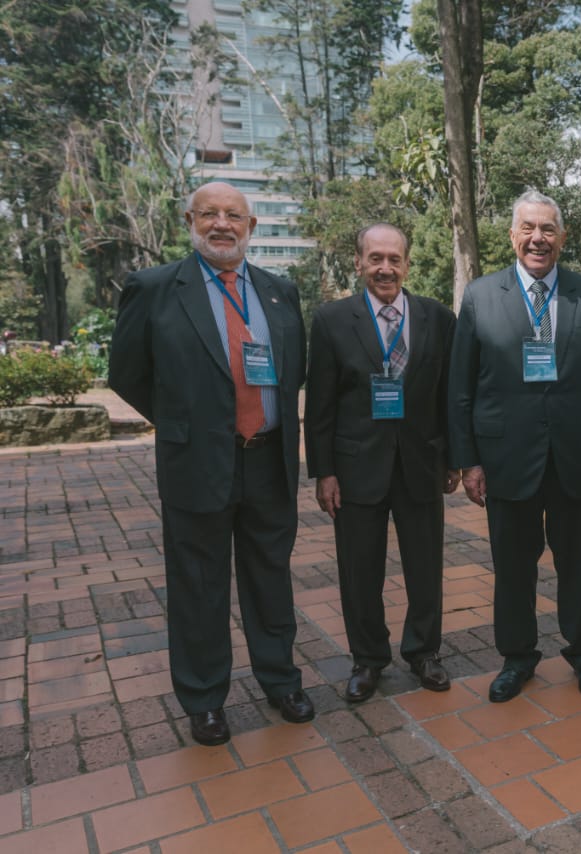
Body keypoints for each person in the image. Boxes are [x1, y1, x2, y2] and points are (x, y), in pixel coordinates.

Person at [108, 181, 313, 746]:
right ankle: (204, 699)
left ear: (252, 228)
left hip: (269, 459)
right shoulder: (153, 289)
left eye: (234, 216)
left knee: (270, 578)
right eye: (209, 214)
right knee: (199, 583)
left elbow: (295, 371)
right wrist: (183, 422)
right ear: (190, 221)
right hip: (196, 462)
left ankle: (280, 680)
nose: (222, 224)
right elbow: (126, 373)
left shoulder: (279, 292)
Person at [448, 189, 581, 703]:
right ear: (513, 236)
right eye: (529, 228)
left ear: (562, 237)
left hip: (577, 458)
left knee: (580, 565)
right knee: (513, 567)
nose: (538, 238)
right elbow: (461, 386)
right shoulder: (480, 296)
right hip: (506, 459)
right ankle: (517, 657)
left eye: (548, 229)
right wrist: (469, 460)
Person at [304, 224, 458, 703]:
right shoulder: (331, 320)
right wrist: (323, 471)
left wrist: (453, 457)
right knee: (359, 570)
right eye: (375, 259)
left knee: (425, 566)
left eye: (394, 259)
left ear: (407, 263)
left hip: (421, 463)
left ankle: (423, 652)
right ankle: (368, 660)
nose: (385, 268)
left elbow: (449, 395)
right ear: (359, 263)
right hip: (355, 469)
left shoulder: (437, 317)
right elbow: (321, 405)